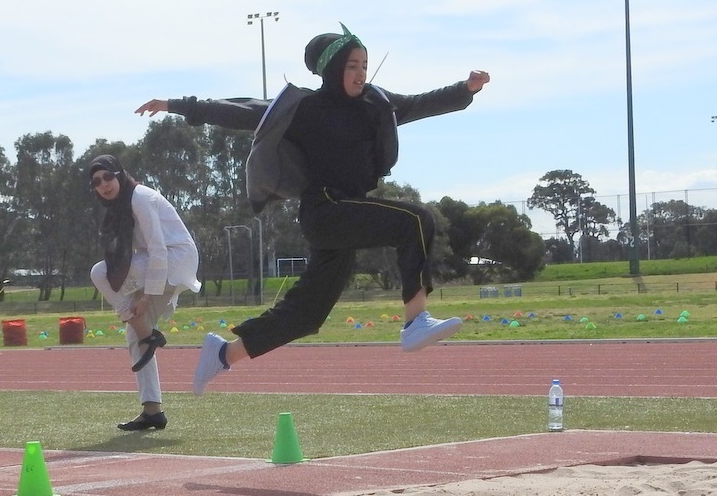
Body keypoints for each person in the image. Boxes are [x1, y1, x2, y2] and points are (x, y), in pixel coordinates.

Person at [135, 23, 490, 396]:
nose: (361, 73)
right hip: (326, 208)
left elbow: (418, 104)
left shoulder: (376, 103)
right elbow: (239, 111)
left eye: (364, 65)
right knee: (416, 220)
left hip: (346, 212)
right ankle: (415, 320)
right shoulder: (305, 107)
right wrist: (175, 105)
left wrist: (464, 89)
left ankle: (223, 354)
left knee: (307, 314)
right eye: (352, 65)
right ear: (333, 68)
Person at [89, 154, 201, 429]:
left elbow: (158, 248)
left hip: (175, 257)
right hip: (157, 262)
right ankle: (153, 410)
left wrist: (146, 296)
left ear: (119, 174)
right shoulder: (118, 208)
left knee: (99, 273)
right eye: (96, 181)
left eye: (108, 177)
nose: (104, 184)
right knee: (134, 332)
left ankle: (141, 326)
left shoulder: (139, 197)